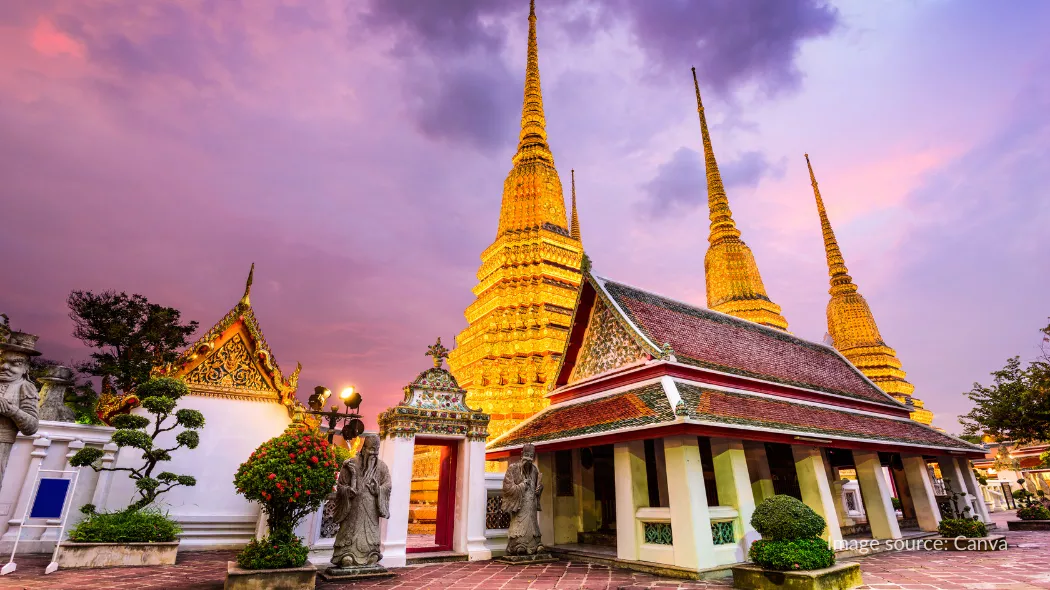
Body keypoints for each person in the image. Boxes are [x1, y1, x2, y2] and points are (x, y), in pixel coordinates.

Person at [331, 433, 391, 568]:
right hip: (353, 510)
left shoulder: (382, 467)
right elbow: (340, 486)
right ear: (363, 449)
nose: (374, 454)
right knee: (347, 560)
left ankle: (371, 553)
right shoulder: (350, 464)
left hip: (371, 511)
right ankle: (345, 553)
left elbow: (388, 485)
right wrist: (348, 489)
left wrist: (378, 490)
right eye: (371, 450)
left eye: (376, 451)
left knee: (373, 558)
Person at [0, 331, 41, 485]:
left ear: (25, 368)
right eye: (2, 361)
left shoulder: (25, 387)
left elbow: (31, 427)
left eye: (14, 363)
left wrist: (11, 410)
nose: (5, 367)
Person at [502, 442, 544, 555]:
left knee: (533, 523)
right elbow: (507, 488)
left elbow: (537, 485)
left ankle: (535, 544)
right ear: (521, 454)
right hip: (520, 504)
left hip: (531, 504)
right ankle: (518, 544)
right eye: (526, 456)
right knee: (519, 526)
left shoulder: (534, 470)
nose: (529, 460)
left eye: (531, 456)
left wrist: (539, 489)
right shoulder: (513, 468)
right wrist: (522, 486)